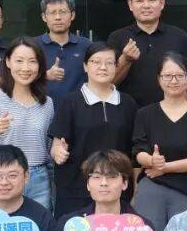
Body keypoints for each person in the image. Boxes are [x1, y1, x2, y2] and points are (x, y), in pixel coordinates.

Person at [49, 42, 138, 217]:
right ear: (85, 66)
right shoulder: (70, 102)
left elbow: (134, 152)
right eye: (96, 62)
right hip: (75, 190)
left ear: (116, 66)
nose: (103, 67)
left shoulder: (128, 104)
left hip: (116, 190)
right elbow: (57, 145)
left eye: (109, 62)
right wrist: (58, 153)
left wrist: (135, 188)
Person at [131, 52, 187, 231]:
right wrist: (151, 160)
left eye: (179, 75)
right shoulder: (145, 114)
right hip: (152, 185)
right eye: (167, 76)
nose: (173, 81)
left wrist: (165, 167)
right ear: (159, 79)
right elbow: (138, 152)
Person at [0, 38, 55, 209]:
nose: (25, 68)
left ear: (40, 66)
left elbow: (49, 148)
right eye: (19, 61)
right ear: (8, 62)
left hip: (38, 179)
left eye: (32, 61)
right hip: (2, 177)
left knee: (39, 225)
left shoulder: (47, 103)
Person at [108, 0, 187, 108]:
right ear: (130, 4)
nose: (146, 5)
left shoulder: (178, 36)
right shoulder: (117, 37)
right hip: (127, 114)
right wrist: (126, 59)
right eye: (139, 1)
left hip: (170, 113)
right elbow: (108, 83)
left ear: (162, 3)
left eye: (152, 0)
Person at [36, 0, 93, 105]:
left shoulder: (87, 46)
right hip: (40, 110)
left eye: (62, 12)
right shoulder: (32, 46)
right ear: (44, 17)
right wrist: (45, 76)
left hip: (78, 110)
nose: (58, 17)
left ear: (72, 15)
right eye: (52, 13)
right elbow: (19, 80)